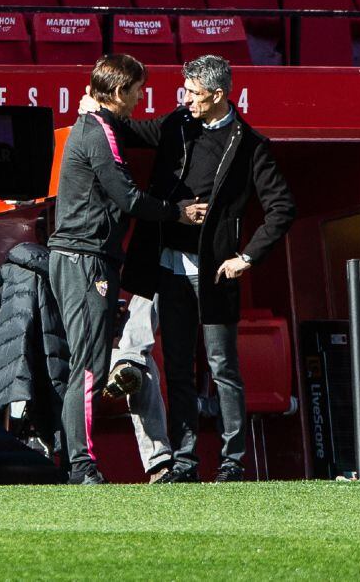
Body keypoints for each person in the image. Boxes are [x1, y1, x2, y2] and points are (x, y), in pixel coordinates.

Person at [90, 55, 295, 483]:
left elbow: (282, 208)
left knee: (223, 368)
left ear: (218, 95)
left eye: (194, 94)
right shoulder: (178, 123)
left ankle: (233, 463)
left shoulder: (250, 144)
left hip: (215, 272)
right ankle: (184, 462)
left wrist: (247, 257)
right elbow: (129, 130)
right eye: (185, 91)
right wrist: (98, 107)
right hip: (167, 267)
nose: (186, 99)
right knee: (179, 368)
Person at [48, 54, 206, 485]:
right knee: (87, 367)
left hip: (87, 257)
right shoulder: (99, 133)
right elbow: (129, 198)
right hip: (85, 259)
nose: (141, 99)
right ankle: (80, 467)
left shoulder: (103, 126)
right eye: (137, 91)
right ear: (119, 92)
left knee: (91, 363)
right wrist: (178, 212)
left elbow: (146, 131)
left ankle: (80, 463)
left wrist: (189, 110)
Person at [103, 294, 174, 482]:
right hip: (81, 354)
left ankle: (128, 361)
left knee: (142, 370)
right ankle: (159, 464)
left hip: (117, 349)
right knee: (140, 366)